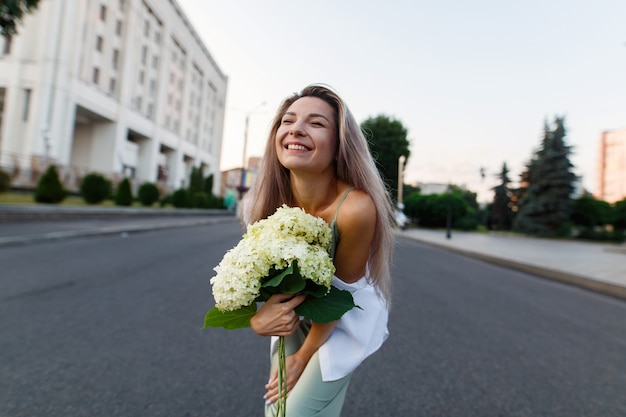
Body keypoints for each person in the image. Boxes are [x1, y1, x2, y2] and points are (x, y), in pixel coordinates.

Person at [241, 84, 395, 417]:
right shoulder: (266, 203)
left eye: (316, 123)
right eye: (288, 120)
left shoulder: (355, 209)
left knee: (295, 414)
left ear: (339, 146)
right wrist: (256, 319)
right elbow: (254, 280)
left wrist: (300, 358)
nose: (296, 128)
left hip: (344, 315)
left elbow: (337, 298)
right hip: (298, 308)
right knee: (276, 410)